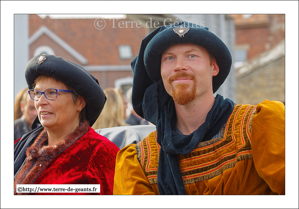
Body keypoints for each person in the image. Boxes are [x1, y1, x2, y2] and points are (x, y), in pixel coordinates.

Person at [113, 21, 285, 195]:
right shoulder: (139, 161)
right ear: (161, 73)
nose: (179, 66)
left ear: (214, 67)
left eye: (191, 56)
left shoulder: (259, 126)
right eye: (169, 58)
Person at [14, 54, 119, 195]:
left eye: (52, 93)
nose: (40, 102)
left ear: (80, 102)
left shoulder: (100, 152)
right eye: (38, 93)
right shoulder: (21, 146)